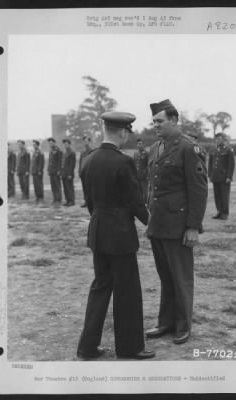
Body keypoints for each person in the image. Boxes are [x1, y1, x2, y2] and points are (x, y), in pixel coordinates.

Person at [76, 111, 155, 360]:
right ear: (122, 132)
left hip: (98, 232)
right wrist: (151, 223)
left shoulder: (88, 160)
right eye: (127, 133)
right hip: (120, 236)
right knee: (128, 291)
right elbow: (135, 202)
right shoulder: (123, 162)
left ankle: (87, 348)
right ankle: (130, 348)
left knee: (100, 287)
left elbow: (90, 202)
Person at [146, 99, 208, 345]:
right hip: (159, 224)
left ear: (174, 120)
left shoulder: (188, 148)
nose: (155, 126)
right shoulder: (155, 148)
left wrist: (193, 226)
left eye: (159, 121)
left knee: (181, 277)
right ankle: (166, 322)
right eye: (153, 122)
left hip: (179, 225)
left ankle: (183, 326)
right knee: (166, 276)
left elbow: (199, 189)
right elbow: (153, 186)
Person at [208, 132, 235, 220]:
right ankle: (219, 211)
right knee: (217, 196)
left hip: (224, 177)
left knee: (224, 196)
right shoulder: (213, 149)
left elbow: (231, 165)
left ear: (223, 140)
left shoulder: (228, 150)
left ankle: (225, 213)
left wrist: (229, 177)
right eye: (216, 139)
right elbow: (210, 163)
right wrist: (210, 175)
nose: (217, 140)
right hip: (215, 177)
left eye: (219, 139)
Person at [47, 138, 62, 205]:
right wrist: (48, 169)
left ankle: (59, 199)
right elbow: (50, 161)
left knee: (57, 185)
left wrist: (59, 170)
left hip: (56, 171)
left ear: (54, 143)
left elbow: (59, 161)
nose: (50, 144)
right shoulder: (50, 150)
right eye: (49, 143)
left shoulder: (58, 150)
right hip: (51, 171)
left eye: (51, 143)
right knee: (53, 186)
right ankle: (55, 198)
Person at [61, 138, 76, 206]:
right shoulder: (64, 153)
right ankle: (67, 200)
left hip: (69, 174)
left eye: (66, 144)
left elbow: (72, 164)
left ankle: (71, 201)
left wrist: (70, 174)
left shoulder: (72, 153)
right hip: (64, 173)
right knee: (65, 188)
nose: (65, 145)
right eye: (64, 144)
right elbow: (63, 164)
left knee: (70, 187)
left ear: (69, 144)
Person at [133, 139, 149, 203]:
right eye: (138, 144)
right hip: (137, 175)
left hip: (144, 176)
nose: (139, 145)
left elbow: (148, 165)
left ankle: (145, 204)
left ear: (143, 144)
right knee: (137, 191)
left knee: (145, 191)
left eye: (140, 144)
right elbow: (134, 164)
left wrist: (146, 173)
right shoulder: (135, 153)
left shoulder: (147, 153)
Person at [78, 136, 92, 207]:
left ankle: (90, 201)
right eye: (84, 141)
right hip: (83, 172)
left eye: (86, 141)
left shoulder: (91, 151)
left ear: (89, 142)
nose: (85, 143)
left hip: (89, 172)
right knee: (84, 188)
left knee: (89, 188)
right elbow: (80, 162)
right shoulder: (82, 152)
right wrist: (79, 171)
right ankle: (86, 201)